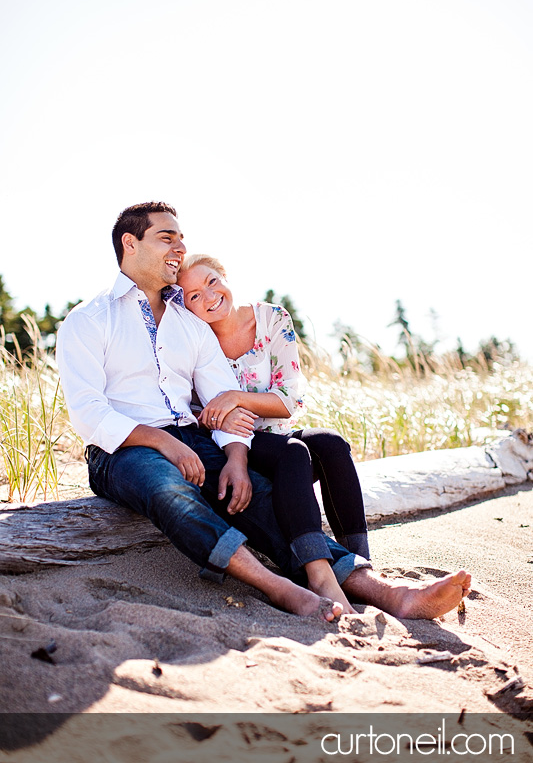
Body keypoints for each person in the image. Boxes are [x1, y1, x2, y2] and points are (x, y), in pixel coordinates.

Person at [57, 201, 471, 622]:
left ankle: (389, 595)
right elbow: (88, 413)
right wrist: (163, 441)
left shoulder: (191, 324)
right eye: (168, 237)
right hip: (123, 449)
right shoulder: (89, 319)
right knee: (169, 489)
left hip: (196, 441)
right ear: (130, 243)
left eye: (182, 238)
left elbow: (225, 397)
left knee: (262, 497)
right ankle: (281, 590)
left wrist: (237, 458)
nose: (180, 247)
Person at [177, 253, 473, 617]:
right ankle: (320, 575)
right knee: (293, 452)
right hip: (233, 445)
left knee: (330, 444)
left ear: (225, 276)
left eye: (211, 282)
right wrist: (214, 417)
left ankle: (361, 563)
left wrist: (236, 397)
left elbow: (287, 401)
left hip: (275, 430)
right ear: (186, 307)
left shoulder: (272, 319)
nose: (208, 297)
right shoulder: (192, 338)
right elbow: (190, 409)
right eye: (192, 296)